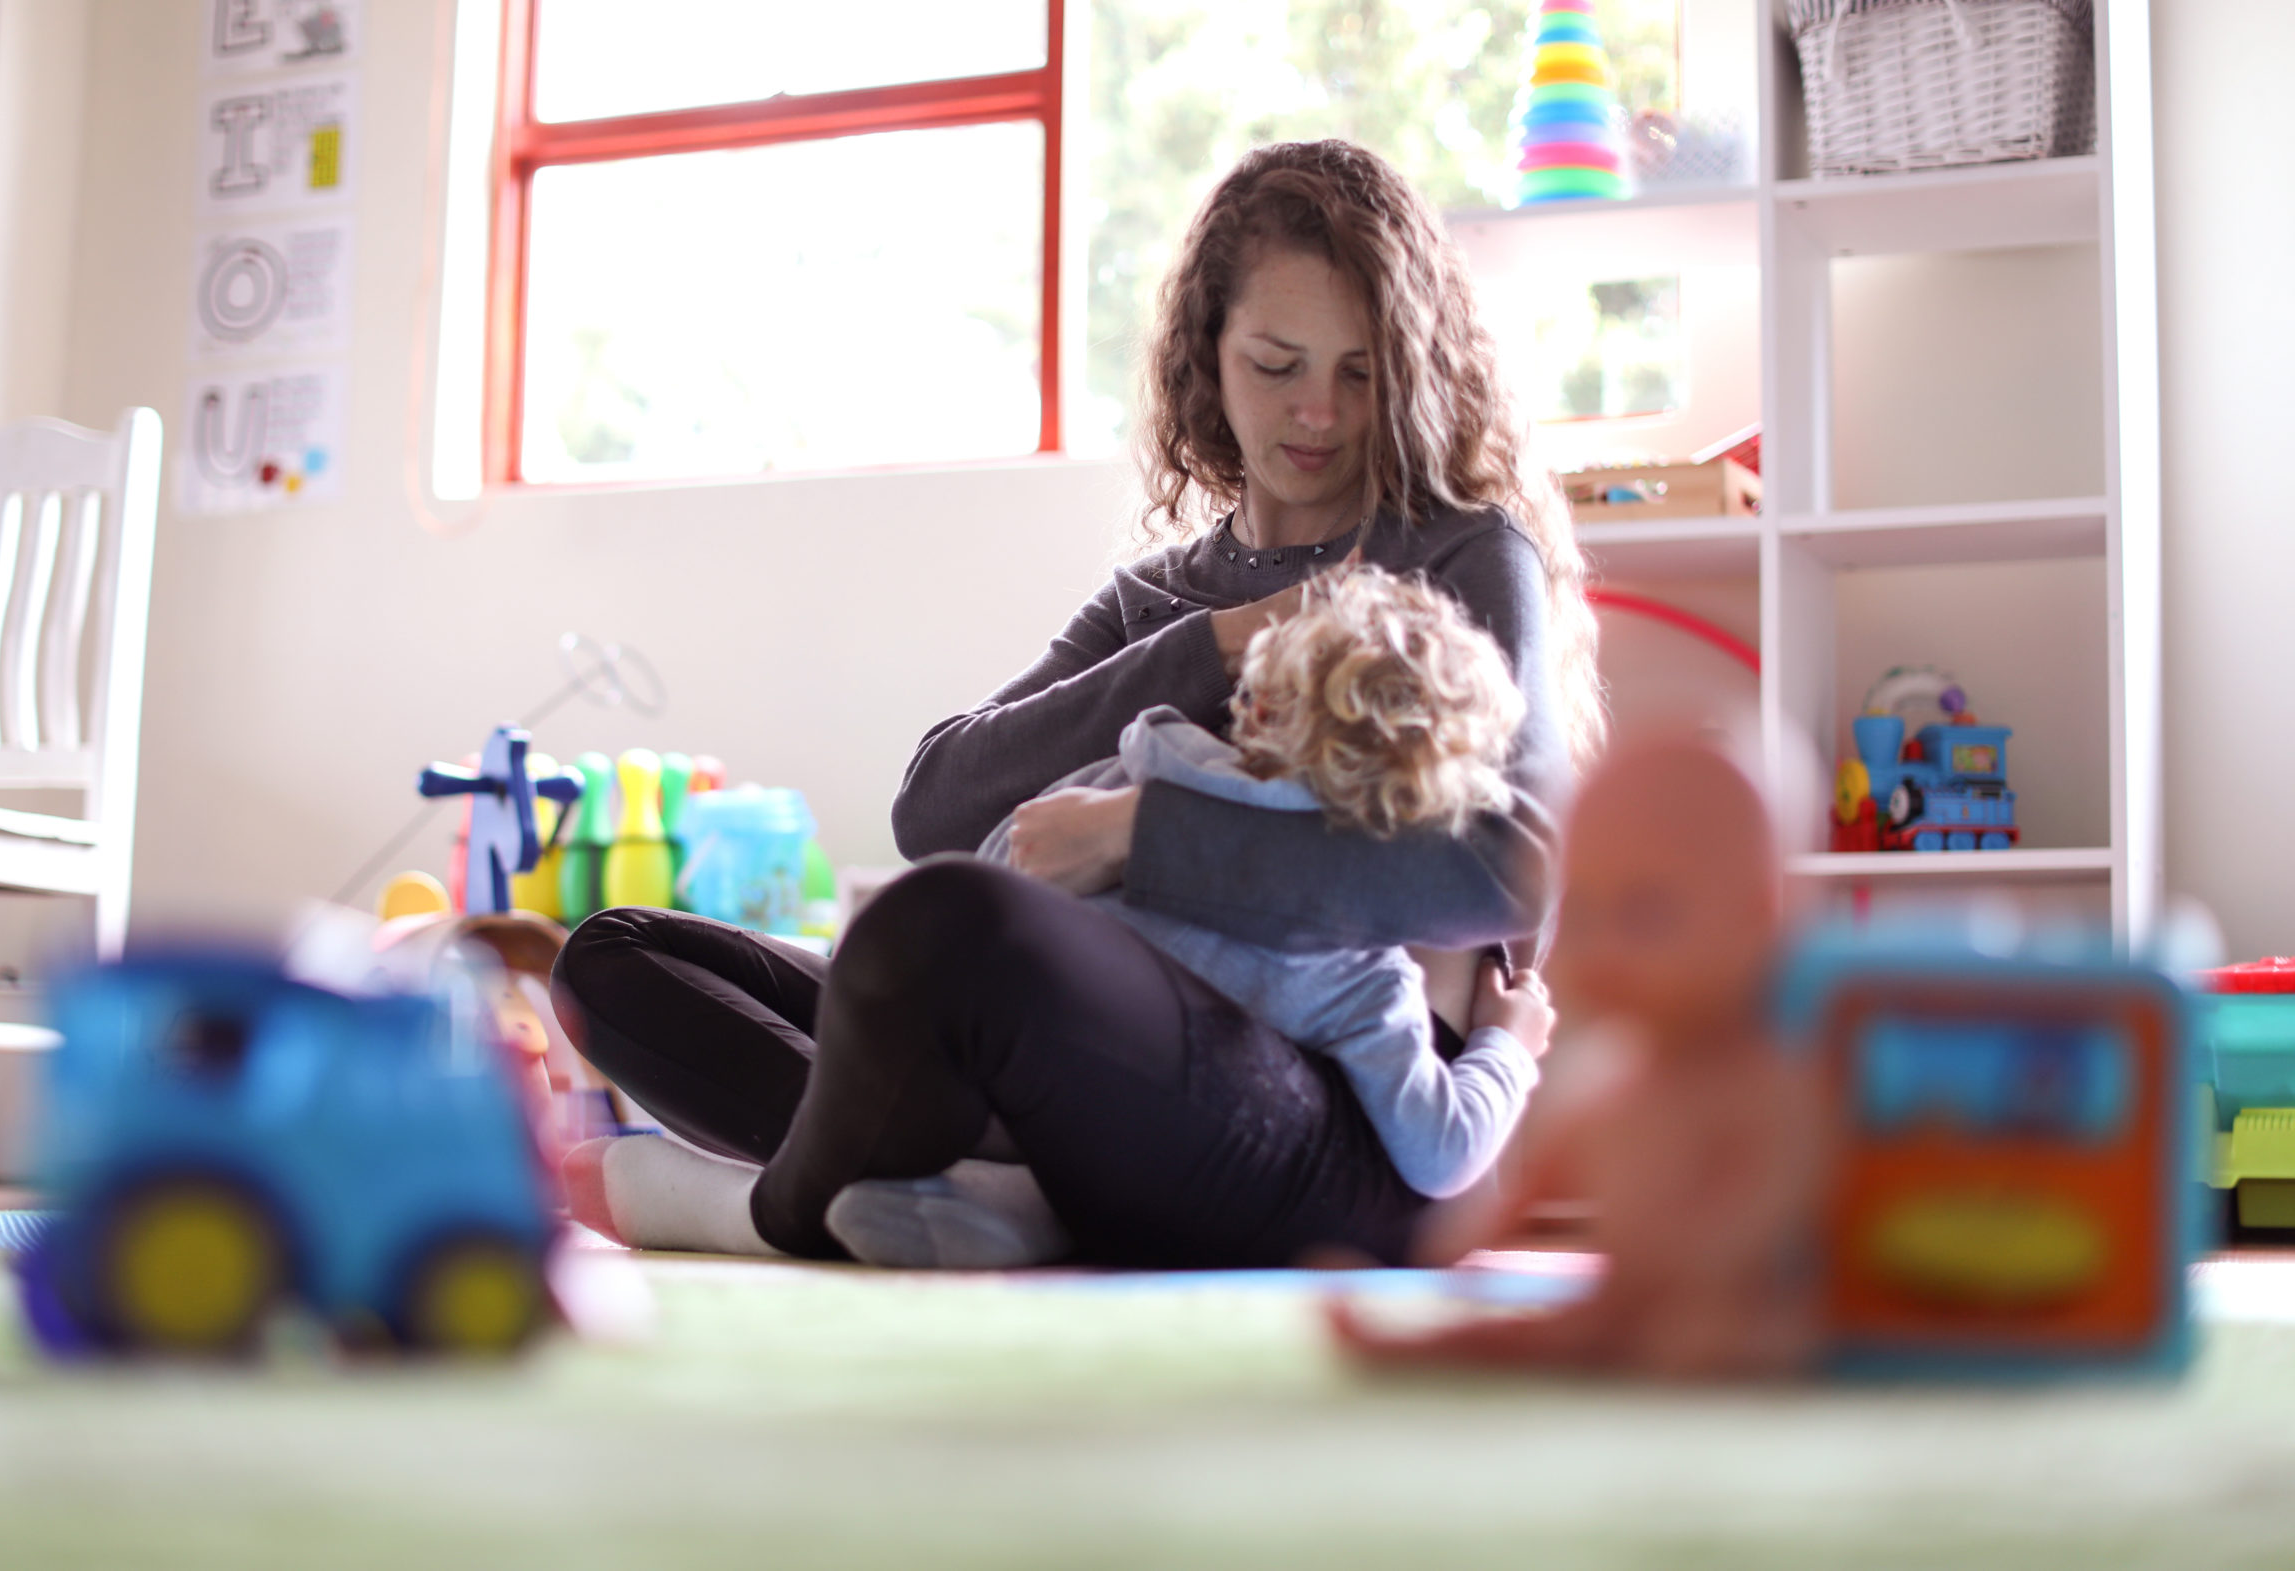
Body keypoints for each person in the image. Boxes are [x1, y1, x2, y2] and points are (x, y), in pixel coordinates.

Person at [554, 137, 1601, 1269]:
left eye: (1360, 373)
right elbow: (935, 804)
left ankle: (774, 1211)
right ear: (1207, 358)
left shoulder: (1456, 554)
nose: (1319, 413)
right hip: (1102, 1074)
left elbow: (1515, 868)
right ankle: (992, 1194)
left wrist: (1144, 836)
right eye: (1276, 363)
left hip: (1343, 1118)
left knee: (947, 930)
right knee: (613, 961)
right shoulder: (1161, 601)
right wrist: (1218, 641)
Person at [969, 565, 1553, 1231]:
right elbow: (1440, 1153)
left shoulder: (1133, 773)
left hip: (988, 1060)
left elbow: (1001, 866)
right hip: (1181, 1168)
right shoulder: (1354, 976)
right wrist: (1507, 1042)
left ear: (1257, 706)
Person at [1329, 739, 1824, 1377]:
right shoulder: (1613, 1086)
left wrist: (1710, 1256)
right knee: (1536, 1334)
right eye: (1583, 912)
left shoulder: (1765, 1084)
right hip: (1620, 1304)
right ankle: (1416, 1347)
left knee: (1720, 1334)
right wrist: (1463, 1248)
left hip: (1727, 1300)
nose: (1605, 949)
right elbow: (1548, 1173)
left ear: (1760, 917)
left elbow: (1776, 1194)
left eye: (1645, 913)